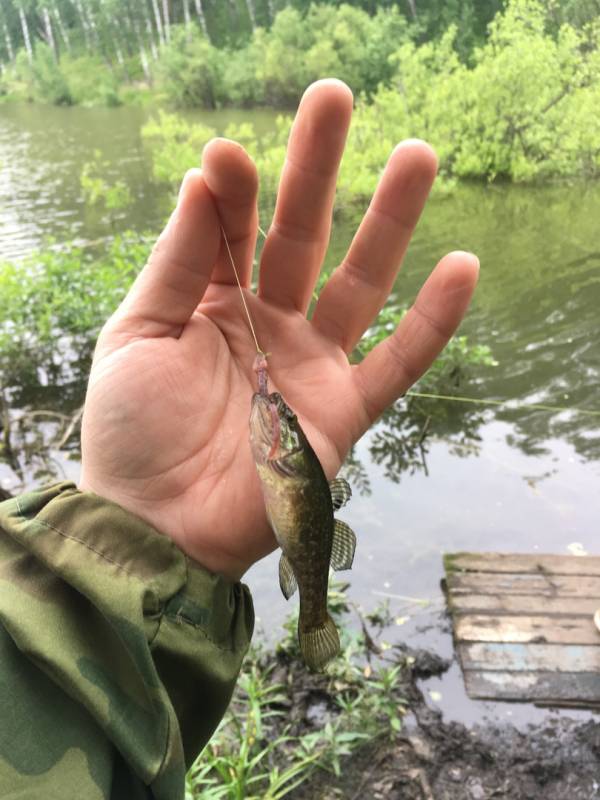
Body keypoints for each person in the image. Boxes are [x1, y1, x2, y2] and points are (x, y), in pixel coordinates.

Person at [0, 80, 479, 798]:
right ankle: (310, 611)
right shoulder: (275, 452)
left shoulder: (281, 458)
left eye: (279, 424)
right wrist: (144, 519)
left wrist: (133, 529)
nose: (275, 420)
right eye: (281, 422)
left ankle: (310, 610)